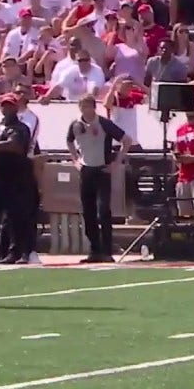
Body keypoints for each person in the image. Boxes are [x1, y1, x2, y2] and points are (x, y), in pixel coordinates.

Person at [67, 92, 131, 263]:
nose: (85, 110)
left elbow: (126, 140)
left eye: (88, 107)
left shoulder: (104, 123)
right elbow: (69, 141)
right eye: (82, 107)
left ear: (94, 108)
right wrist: (75, 160)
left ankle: (107, 250)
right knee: (88, 212)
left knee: (103, 211)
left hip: (102, 169)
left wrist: (116, 162)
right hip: (86, 170)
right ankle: (94, 250)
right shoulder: (75, 124)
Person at [0, 94, 39, 265]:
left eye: (10, 106)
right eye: (4, 105)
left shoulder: (22, 128)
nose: (6, 109)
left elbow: (15, 145)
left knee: (15, 216)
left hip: (15, 176)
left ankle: (17, 251)